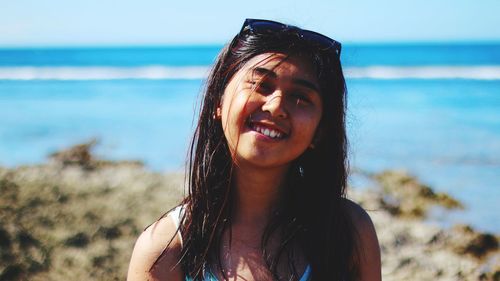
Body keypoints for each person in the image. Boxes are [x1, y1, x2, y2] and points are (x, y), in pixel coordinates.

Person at [127, 18, 381, 281]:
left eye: (300, 98)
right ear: (219, 99)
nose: (275, 106)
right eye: (261, 85)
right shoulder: (166, 248)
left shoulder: (348, 233)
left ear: (320, 130)